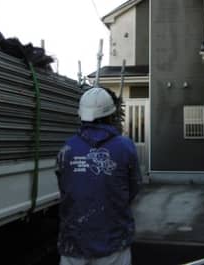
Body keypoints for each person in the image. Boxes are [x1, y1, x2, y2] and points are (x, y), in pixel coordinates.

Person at [56, 87, 141, 265]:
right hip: (114, 244)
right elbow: (133, 188)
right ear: (112, 114)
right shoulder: (125, 147)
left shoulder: (67, 149)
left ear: (81, 115)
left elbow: (65, 188)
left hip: (73, 244)